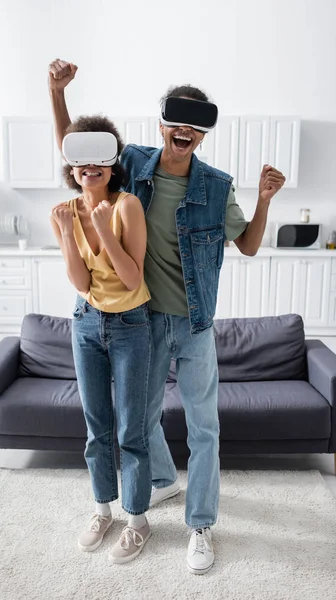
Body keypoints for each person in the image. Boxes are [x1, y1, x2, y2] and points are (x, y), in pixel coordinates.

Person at [48, 58, 286, 575]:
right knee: (140, 418)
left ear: (202, 134)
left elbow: (246, 246)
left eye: (196, 125)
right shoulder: (131, 164)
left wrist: (265, 200)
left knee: (205, 429)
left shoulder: (217, 187)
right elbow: (77, 148)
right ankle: (162, 482)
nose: (185, 131)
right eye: (177, 121)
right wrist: (58, 91)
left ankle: (200, 525)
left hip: (196, 325)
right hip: (145, 321)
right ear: (161, 125)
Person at [49, 115, 152, 565]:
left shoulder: (127, 205)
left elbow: (131, 279)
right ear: (72, 168)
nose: (90, 168)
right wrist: (72, 234)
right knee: (96, 427)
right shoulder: (62, 213)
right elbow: (80, 281)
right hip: (86, 322)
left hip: (131, 323)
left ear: (112, 166)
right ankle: (102, 510)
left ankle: (137, 521)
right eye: (81, 162)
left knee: (131, 428)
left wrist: (105, 230)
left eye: (99, 162)